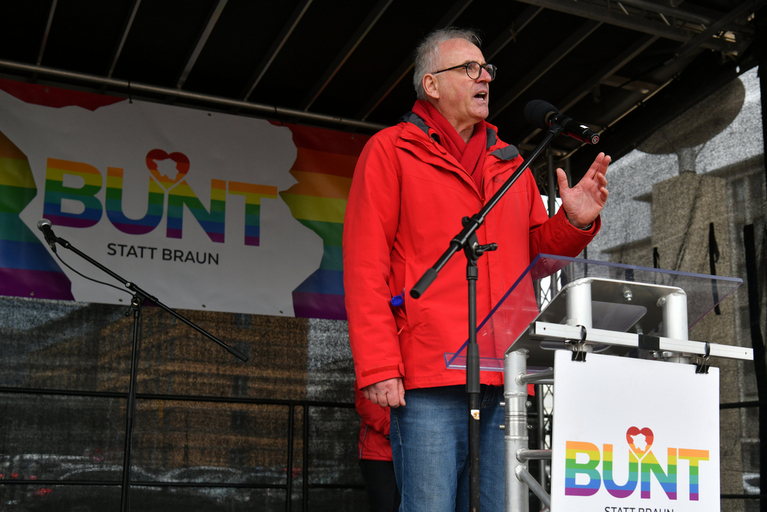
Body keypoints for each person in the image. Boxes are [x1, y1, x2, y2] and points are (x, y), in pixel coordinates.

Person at [343, 27, 609, 512]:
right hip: (427, 376)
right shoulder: (389, 151)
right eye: (468, 68)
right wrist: (380, 367)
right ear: (431, 85)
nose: (484, 76)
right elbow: (365, 268)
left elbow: (541, 257)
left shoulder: (512, 163)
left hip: (506, 372)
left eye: (486, 68)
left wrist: (573, 221)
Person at [355, 380, 401, 512]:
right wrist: (395, 429)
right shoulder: (371, 370)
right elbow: (367, 407)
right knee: (383, 507)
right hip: (378, 455)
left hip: (409, 455)